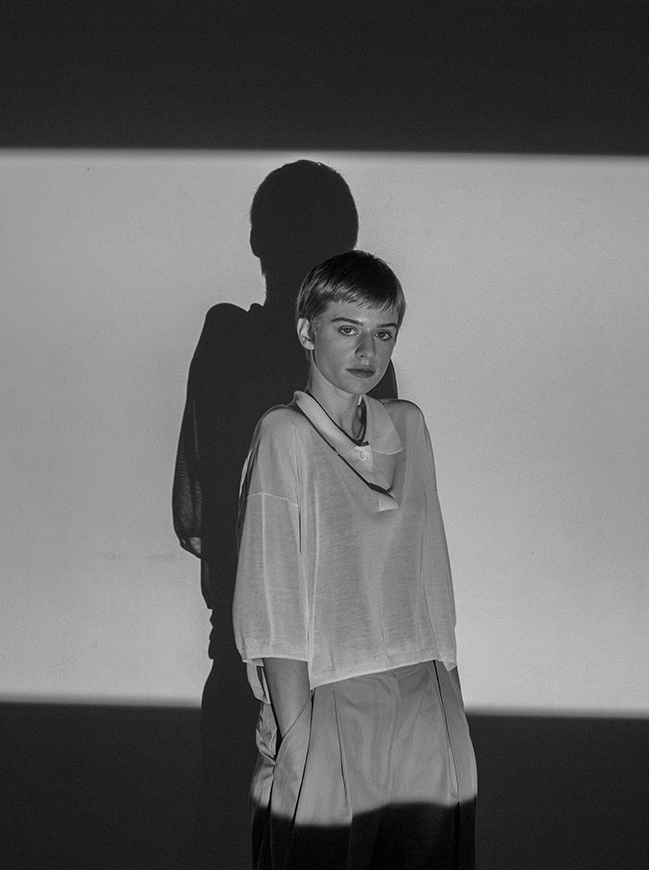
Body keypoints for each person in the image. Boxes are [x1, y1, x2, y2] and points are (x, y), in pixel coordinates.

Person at [174, 161, 396, 869]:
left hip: (259, 648)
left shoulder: (228, 341)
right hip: (324, 655)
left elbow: (205, 507)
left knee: (237, 828)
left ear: (256, 240)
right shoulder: (354, 361)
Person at [233, 250, 476, 869]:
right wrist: (296, 737)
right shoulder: (285, 434)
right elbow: (273, 601)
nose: (368, 351)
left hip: (424, 696)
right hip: (330, 699)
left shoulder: (409, 427)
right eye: (348, 329)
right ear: (307, 331)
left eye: (384, 333)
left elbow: (433, 573)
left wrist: (451, 701)